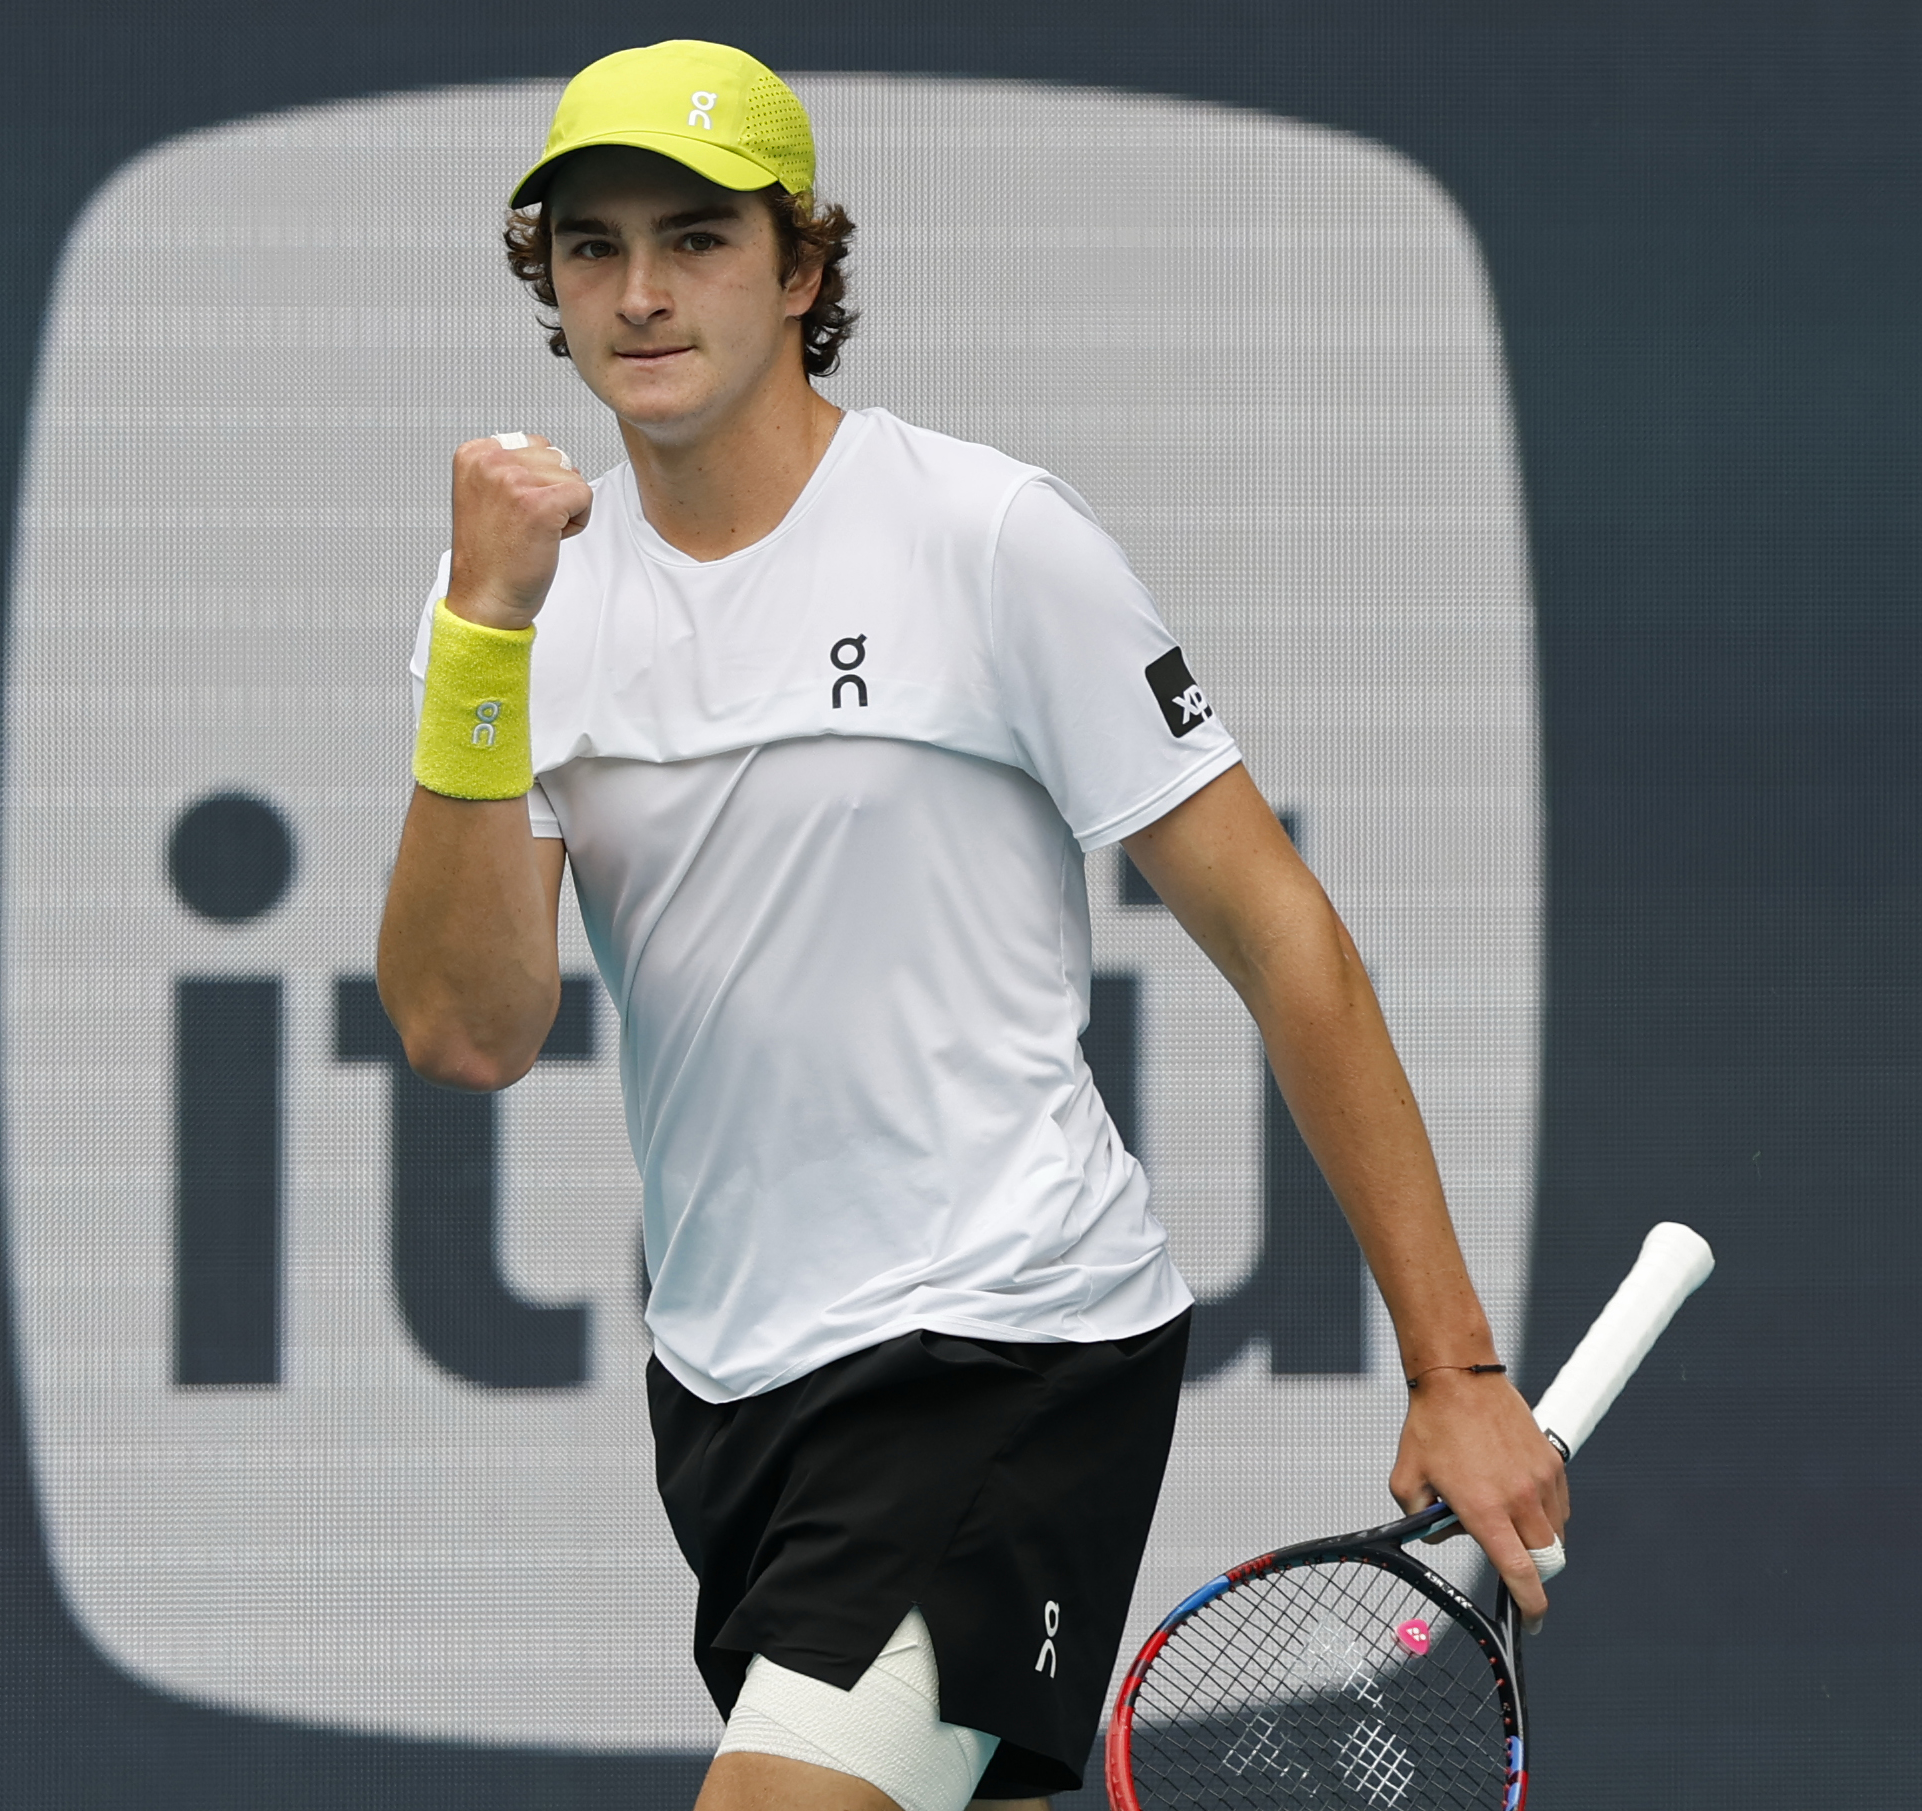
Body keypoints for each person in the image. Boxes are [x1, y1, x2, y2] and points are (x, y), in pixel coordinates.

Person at [374, 40, 1567, 1811]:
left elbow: (1278, 932)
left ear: (800, 270)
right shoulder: (523, 609)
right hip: (732, 1384)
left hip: (1006, 1335)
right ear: (544, 279)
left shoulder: (990, 540)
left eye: (697, 239)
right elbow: (465, 1029)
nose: (639, 293)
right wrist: (481, 633)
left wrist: (1456, 1366)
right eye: (593, 244)